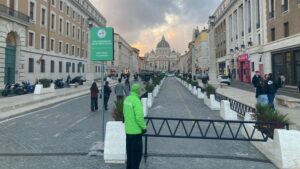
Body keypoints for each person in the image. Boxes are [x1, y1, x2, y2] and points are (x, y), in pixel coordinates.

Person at [123, 83, 147, 169]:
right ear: (137, 91)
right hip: (136, 132)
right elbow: (139, 117)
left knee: (129, 155)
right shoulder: (136, 100)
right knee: (136, 157)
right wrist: (144, 127)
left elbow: (124, 114)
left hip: (128, 131)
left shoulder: (127, 99)